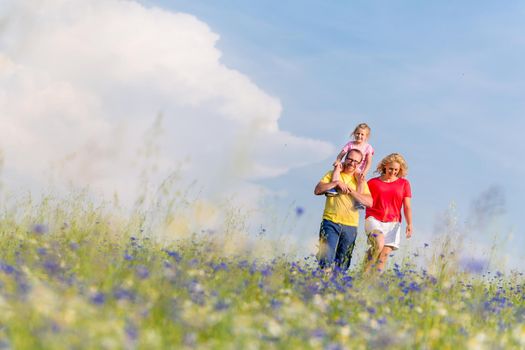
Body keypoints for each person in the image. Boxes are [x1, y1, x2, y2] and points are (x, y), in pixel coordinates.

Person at [314, 149, 373, 272]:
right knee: (326, 259)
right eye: (350, 159)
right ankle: (321, 286)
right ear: (345, 159)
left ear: (360, 164)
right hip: (330, 222)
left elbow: (369, 202)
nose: (352, 163)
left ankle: (336, 287)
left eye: (356, 161)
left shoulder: (360, 180)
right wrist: (336, 183)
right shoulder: (333, 174)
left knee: (343, 263)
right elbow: (318, 190)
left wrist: (351, 190)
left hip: (350, 226)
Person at [364, 153, 412, 273]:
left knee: (383, 256)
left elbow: (407, 206)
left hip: (393, 223)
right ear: (384, 166)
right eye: (390, 168)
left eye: (396, 169)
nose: (393, 172)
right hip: (374, 219)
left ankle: (372, 283)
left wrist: (409, 223)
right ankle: (364, 274)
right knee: (379, 244)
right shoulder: (372, 183)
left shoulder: (404, 184)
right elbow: (363, 198)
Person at [325, 123, 374, 204]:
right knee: (337, 168)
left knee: (360, 180)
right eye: (358, 133)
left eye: (362, 134)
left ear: (366, 137)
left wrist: (364, 172)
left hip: (357, 168)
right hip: (346, 164)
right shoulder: (350, 144)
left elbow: (369, 162)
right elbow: (341, 154)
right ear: (354, 133)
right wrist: (338, 161)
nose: (359, 136)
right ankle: (333, 188)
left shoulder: (368, 147)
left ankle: (358, 201)